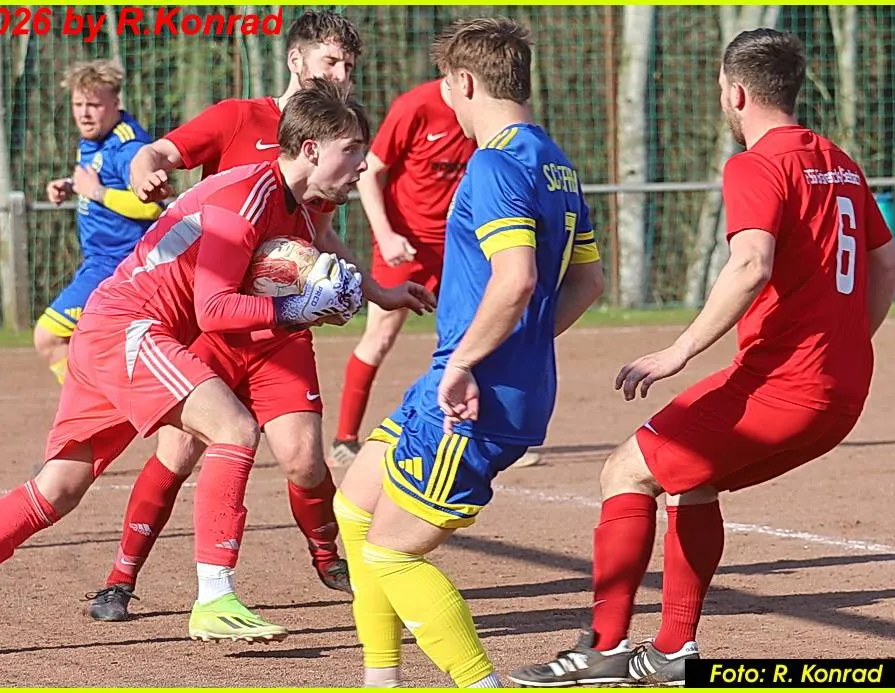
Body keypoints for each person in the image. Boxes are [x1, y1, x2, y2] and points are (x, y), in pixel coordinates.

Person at [0, 78, 369, 657]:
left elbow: (240, 297)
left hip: (110, 328)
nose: (361, 163)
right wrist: (293, 308)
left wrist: (318, 303)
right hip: (129, 325)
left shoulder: (292, 207)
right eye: (351, 149)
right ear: (310, 149)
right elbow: (213, 310)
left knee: (57, 490)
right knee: (233, 428)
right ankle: (215, 597)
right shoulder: (249, 196)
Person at [509, 28, 895, 688]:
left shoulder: (756, 164)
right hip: (842, 389)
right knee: (689, 477)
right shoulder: (838, 161)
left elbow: (750, 263)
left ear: (736, 92)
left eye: (721, 87)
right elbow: (886, 263)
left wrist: (680, 349)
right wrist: (846, 344)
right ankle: (672, 651)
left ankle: (601, 649)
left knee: (625, 469)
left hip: (784, 384)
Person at [82, 10, 432, 622]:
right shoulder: (240, 117)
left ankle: (328, 559)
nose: (341, 74)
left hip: (281, 325)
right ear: (296, 60)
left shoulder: (335, 141)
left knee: (303, 458)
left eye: (349, 65)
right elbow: (157, 151)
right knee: (178, 453)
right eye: (330, 61)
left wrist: (377, 290)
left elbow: (320, 235)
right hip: (214, 319)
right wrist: (145, 174)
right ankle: (121, 577)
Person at [334, 18, 605, 688]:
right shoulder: (555, 162)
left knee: (394, 554)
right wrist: (519, 346)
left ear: (464, 82)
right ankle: (380, 679)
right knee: (355, 504)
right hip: (465, 381)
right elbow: (588, 281)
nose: (445, 99)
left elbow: (515, 280)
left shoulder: (493, 162)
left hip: (470, 393)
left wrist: (468, 363)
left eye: (446, 87)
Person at [327, 78, 475, 467]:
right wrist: (387, 236)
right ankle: (345, 439)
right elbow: (371, 172)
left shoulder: (483, 105)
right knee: (380, 336)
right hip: (405, 245)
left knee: (474, 335)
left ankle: (475, 436)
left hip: (459, 244)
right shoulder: (416, 106)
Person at [37, 60, 163, 385]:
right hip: (98, 263)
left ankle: (88, 408)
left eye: (93, 105)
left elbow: (151, 207)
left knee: (49, 337)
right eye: (78, 104)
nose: (84, 114)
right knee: (91, 348)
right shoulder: (95, 139)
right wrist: (71, 185)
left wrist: (95, 192)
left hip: (118, 267)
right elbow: (100, 178)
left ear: (115, 103)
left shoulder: (128, 147)